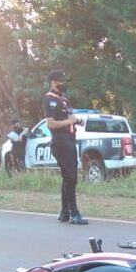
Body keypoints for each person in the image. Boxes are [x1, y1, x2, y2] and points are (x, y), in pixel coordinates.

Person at [43, 69, 87, 225]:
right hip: (60, 141)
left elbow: (69, 117)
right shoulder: (50, 98)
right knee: (70, 177)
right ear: (53, 82)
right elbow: (50, 123)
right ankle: (74, 213)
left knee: (68, 176)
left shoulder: (64, 99)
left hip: (69, 139)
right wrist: (69, 121)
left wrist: (77, 121)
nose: (64, 84)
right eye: (61, 81)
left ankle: (65, 213)